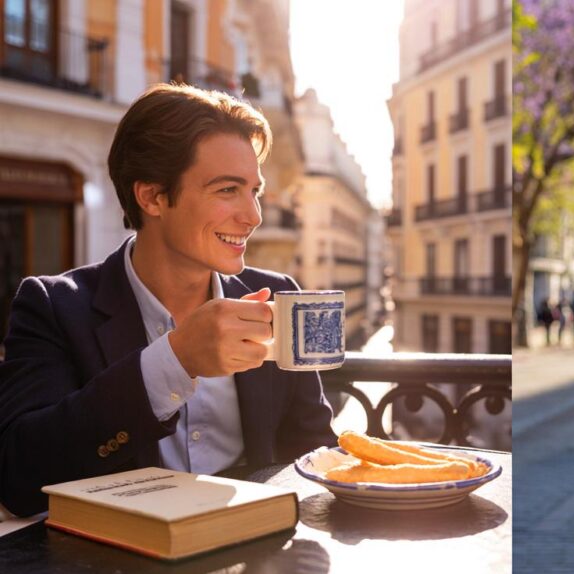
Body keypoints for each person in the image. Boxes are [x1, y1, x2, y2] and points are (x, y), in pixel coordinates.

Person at [0, 84, 336, 518]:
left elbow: (314, 455)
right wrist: (173, 362)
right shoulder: (52, 307)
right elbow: (17, 477)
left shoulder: (280, 297)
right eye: (227, 190)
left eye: (255, 191)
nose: (253, 215)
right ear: (153, 197)